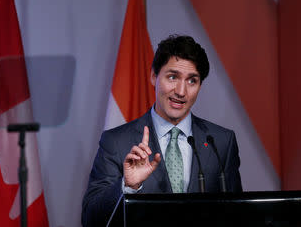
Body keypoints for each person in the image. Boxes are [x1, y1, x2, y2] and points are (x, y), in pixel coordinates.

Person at [82, 35, 242, 227]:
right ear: (153, 76)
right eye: (172, 77)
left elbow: (238, 214)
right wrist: (128, 186)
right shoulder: (116, 141)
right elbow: (90, 219)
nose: (181, 91)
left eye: (192, 81)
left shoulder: (221, 141)